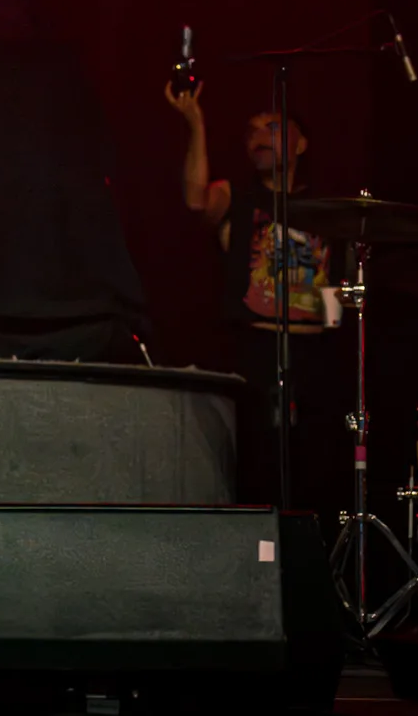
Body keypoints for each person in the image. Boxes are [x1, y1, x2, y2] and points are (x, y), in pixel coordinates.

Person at [164, 81, 346, 512]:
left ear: (301, 144)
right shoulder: (236, 196)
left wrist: (336, 340)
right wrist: (195, 124)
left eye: (273, 128)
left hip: (315, 356)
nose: (258, 138)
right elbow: (195, 201)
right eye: (251, 132)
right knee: (256, 470)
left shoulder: (329, 209)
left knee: (315, 472)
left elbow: (336, 289)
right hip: (255, 351)